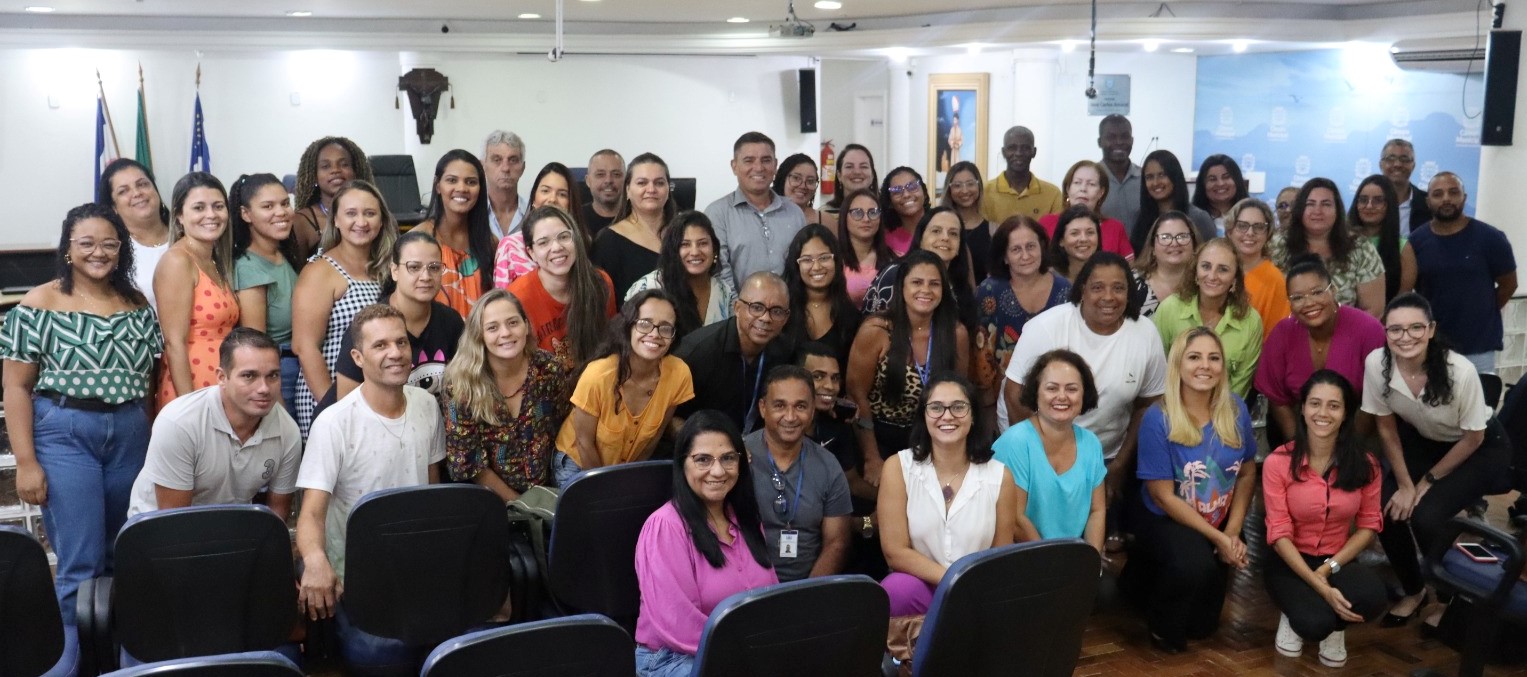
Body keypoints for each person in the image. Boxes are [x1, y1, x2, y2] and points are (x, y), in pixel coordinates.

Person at [0, 203, 161, 633]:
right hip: (65, 432)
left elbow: (148, 380)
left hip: (130, 433)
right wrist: (26, 462)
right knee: (81, 562)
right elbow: (16, 388)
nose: (98, 252)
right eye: (86, 243)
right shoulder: (39, 303)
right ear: (68, 249)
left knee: (123, 553)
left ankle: (120, 652)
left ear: (122, 250)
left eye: (110, 244)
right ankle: (76, 657)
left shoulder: (137, 304)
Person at [294, 305, 446, 673]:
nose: (395, 353)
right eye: (380, 345)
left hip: (416, 567)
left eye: (401, 342)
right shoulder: (334, 423)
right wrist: (315, 562)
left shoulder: (427, 405)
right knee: (380, 656)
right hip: (356, 576)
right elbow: (310, 513)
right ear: (358, 358)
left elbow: (433, 490)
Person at [1364, 293, 1512, 630]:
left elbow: (1473, 439)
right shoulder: (1377, 363)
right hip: (1425, 440)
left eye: (1416, 327)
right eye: (1396, 329)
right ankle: (1414, 590)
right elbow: (1386, 428)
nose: (1406, 337)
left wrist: (1424, 483)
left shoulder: (1460, 371)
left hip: (1480, 447)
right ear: (1385, 332)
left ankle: (1449, 597)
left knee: (1427, 516)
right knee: (1385, 507)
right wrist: (1404, 485)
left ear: (1431, 329)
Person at [1001, 253, 1166, 517]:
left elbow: (1149, 405)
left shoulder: (1145, 333)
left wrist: (1119, 466)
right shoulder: (1047, 327)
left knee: (1098, 523)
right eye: (1098, 287)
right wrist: (1043, 462)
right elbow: (1014, 394)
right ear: (1082, 290)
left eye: (1118, 288)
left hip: (1107, 453)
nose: (1108, 297)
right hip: (1040, 448)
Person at [1130, 326, 1258, 653]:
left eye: (1214, 358)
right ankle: (1157, 622)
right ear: (1178, 364)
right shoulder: (1157, 418)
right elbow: (1162, 496)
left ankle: (1142, 582)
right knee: (1193, 566)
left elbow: (1246, 473)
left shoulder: (1236, 409)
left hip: (1218, 516)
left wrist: (1233, 531)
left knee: (1203, 627)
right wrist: (1219, 539)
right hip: (1166, 516)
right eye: (1194, 357)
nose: (1205, 365)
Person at [634, 411, 776, 676]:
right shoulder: (665, 526)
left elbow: (770, 600)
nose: (718, 471)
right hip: (672, 658)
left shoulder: (746, 519)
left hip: (743, 653)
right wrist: (747, 656)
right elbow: (678, 625)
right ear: (682, 463)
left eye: (728, 458)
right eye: (703, 460)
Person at [1263, 370, 1385, 668]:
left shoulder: (1366, 464)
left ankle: (1336, 626)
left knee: (1374, 598)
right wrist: (1321, 587)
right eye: (1315, 404)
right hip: (1289, 560)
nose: (1323, 413)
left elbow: (1369, 526)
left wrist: (1328, 570)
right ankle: (1296, 614)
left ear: (1346, 414)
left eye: (1334, 406)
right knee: (1313, 623)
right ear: (1303, 409)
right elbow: (1279, 534)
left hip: (1337, 558)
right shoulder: (1277, 462)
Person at [877, 373, 1018, 615]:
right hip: (921, 587)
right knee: (896, 588)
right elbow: (894, 552)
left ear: (973, 416)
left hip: (977, 592)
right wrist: (954, 580)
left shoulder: (1000, 476)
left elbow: (1000, 558)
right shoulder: (898, 467)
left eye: (958, 407)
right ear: (924, 416)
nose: (947, 416)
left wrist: (971, 590)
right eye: (936, 408)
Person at [127, 328, 301, 518]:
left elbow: (277, 514)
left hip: (230, 527)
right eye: (249, 376)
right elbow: (173, 521)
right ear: (221, 377)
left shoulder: (287, 431)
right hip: (157, 526)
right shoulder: (179, 423)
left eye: (273, 376)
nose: (264, 388)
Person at [847, 251, 972, 480]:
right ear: (901, 287)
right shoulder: (876, 330)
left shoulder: (956, 334)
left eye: (934, 284)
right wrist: (871, 457)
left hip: (932, 438)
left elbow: (959, 397)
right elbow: (856, 394)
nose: (926, 290)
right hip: (878, 438)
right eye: (917, 282)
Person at [440, 288, 572, 500]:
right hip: (489, 500)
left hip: (550, 493)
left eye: (513, 322)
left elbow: (563, 430)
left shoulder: (548, 368)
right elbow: (469, 464)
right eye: (492, 327)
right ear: (479, 335)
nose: (505, 333)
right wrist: (521, 506)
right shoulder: (460, 386)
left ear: (526, 325)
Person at [553, 290, 695, 486]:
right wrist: (608, 488)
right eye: (644, 324)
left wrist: (629, 480)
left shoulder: (679, 374)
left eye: (665, 328)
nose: (655, 334)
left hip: (624, 467)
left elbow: (654, 437)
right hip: (578, 463)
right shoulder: (598, 375)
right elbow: (584, 443)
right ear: (628, 326)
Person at [291, 180, 397, 435]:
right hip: (329, 397)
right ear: (336, 220)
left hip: (375, 400)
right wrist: (336, 409)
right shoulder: (320, 271)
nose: (361, 222)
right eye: (351, 213)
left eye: (369, 213)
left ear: (382, 220)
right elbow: (305, 347)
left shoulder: (388, 269)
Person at [318, 230, 464, 411]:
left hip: (423, 422)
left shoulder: (451, 322)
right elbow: (348, 409)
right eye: (414, 267)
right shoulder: (370, 325)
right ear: (394, 271)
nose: (426, 276)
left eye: (434, 267)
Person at [1255, 256, 1385, 446]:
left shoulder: (1368, 330)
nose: (1309, 303)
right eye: (1297, 298)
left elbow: (1375, 400)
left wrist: (1345, 449)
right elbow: (1277, 399)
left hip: (1359, 430)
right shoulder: (1282, 334)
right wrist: (1299, 447)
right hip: (1302, 431)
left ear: (1333, 290)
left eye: (1317, 292)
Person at [743, 365, 853, 581]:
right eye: (780, 406)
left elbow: (837, 543)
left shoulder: (828, 465)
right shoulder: (736, 458)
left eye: (800, 406)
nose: (790, 416)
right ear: (763, 408)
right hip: (746, 587)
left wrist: (807, 594)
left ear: (812, 411)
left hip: (808, 587)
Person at [1401, 172, 1517, 374]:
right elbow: (1408, 290)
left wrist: (1482, 312)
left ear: (1464, 198)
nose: (1446, 199)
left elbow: (1509, 284)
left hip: (1478, 347)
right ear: (1428, 201)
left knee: (1480, 395)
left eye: (1453, 192)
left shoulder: (1490, 238)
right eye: (1438, 194)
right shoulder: (1416, 242)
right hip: (1431, 346)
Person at [992, 349, 1105, 551]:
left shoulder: (1091, 443)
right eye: (1052, 388)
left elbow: (1096, 511)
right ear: (1036, 393)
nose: (1062, 396)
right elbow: (1015, 519)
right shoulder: (1015, 442)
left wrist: (1091, 561)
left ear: (1084, 394)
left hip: (1073, 557)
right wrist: (1053, 561)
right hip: (1020, 556)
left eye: (1071, 389)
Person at [155, 172, 240, 407]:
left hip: (222, 384)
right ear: (179, 216)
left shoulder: (215, 260)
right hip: (192, 387)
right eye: (199, 208)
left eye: (218, 206)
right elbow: (174, 343)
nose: (211, 215)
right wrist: (189, 406)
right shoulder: (177, 261)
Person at [673, 272, 795, 433]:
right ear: (737, 308)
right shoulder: (697, 353)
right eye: (756, 308)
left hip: (761, 441)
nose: (766, 318)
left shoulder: (786, 351)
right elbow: (671, 418)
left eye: (777, 311)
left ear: (786, 317)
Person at [975, 217, 1070, 408]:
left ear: (1042, 247)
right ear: (1004, 256)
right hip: (1001, 398)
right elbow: (982, 352)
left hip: (1058, 395)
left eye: (1031, 246)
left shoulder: (1065, 289)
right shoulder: (989, 290)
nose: (1025, 255)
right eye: (1016, 249)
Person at [506, 205, 618, 367]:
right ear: (531, 253)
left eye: (564, 237)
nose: (557, 247)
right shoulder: (517, 298)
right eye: (544, 242)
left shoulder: (600, 282)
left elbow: (611, 346)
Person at [229, 173, 302, 417]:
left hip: (298, 366)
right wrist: (276, 404)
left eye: (285, 203)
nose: (281, 212)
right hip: (280, 372)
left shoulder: (283, 253)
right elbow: (257, 348)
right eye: (268, 206)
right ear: (246, 214)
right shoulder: (249, 267)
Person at [1153, 238, 1263, 397]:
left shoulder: (1251, 321)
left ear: (1235, 279)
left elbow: (1239, 389)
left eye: (1223, 269)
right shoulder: (1169, 309)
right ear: (1195, 272)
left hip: (1226, 408)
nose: (1212, 276)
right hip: (1172, 404)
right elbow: (1158, 373)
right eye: (1206, 266)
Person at [705, 132, 806, 293]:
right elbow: (719, 272)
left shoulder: (794, 213)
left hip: (791, 306)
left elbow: (803, 265)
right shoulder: (717, 213)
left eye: (766, 160)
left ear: (775, 165)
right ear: (734, 166)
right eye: (749, 160)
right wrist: (738, 307)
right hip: (738, 307)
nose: (759, 168)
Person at [1270, 177, 1384, 316]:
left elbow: (1374, 310)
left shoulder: (1360, 248)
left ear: (1337, 210)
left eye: (1326, 204)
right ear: (1300, 209)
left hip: (1345, 328)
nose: (1317, 211)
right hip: (1284, 326)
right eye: (1310, 204)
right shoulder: (1276, 245)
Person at [625, 210, 734, 342]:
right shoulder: (649, 286)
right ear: (673, 251)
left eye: (702, 243)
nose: (695, 252)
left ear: (715, 250)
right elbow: (628, 339)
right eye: (685, 244)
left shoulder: (723, 291)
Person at [412, 149, 497, 317]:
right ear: (438, 185)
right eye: (452, 180)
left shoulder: (490, 242)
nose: (462, 188)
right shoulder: (418, 239)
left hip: (480, 332)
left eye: (471, 182)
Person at [860, 207, 977, 328]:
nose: (945, 238)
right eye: (936, 231)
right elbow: (872, 328)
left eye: (953, 233)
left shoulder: (958, 284)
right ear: (920, 238)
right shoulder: (896, 273)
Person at [494, 162, 596, 286]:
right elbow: (502, 294)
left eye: (562, 194)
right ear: (534, 197)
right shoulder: (510, 246)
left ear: (571, 203)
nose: (552, 199)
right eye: (545, 191)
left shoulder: (583, 240)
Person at [593, 153, 675, 295]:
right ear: (628, 190)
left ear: (669, 189)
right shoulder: (608, 241)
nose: (651, 189)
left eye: (659, 183)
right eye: (642, 183)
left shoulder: (684, 234)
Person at [97, 158, 172, 310]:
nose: (137, 193)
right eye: (123, 191)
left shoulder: (188, 235)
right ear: (113, 207)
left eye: (142, 184)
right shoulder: (114, 253)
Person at [782, 224, 862, 362]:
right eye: (807, 260)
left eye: (824, 258)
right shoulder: (782, 310)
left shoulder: (851, 317)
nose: (817, 267)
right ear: (796, 265)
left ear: (836, 261)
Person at [292, 136, 374, 262]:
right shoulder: (301, 222)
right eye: (325, 166)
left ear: (355, 171)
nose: (335, 170)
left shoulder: (376, 216)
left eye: (344, 164)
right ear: (314, 176)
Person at [1039, 159, 1135, 261]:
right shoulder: (1047, 222)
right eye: (1077, 182)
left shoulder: (1115, 228)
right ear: (1067, 189)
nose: (1083, 189)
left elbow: (1129, 266)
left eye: (1091, 184)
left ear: (1101, 192)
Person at [1227, 198, 1290, 342]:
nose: (1250, 233)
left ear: (1268, 234)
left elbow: (1276, 337)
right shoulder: (1216, 270)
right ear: (1229, 231)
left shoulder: (1275, 280)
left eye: (1259, 227)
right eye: (1242, 226)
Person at [1132, 150, 1215, 252]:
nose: (1155, 182)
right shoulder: (1140, 218)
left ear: (1175, 177)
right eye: (1149, 177)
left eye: (1162, 175)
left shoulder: (1198, 217)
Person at [979, 125, 1063, 225]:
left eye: (1025, 148)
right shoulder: (984, 192)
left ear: (1034, 152)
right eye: (1012, 148)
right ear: (1003, 152)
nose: (1019, 153)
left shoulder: (1053, 194)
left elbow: (1057, 231)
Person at [1131, 210, 1200, 318]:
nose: (1174, 243)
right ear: (1152, 247)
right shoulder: (1131, 282)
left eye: (1182, 236)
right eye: (1165, 237)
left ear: (1194, 244)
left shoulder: (1205, 283)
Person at [1349, 174, 1404, 303]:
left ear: (1389, 205)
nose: (1369, 206)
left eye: (1378, 201)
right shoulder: (1342, 240)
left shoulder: (1403, 247)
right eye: (1363, 200)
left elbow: (1402, 301)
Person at [836, 188, 894, 305]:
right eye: (857, 213)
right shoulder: (833, 259)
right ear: (844, 217)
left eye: (873, 212)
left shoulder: (893, 259)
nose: (866, 219)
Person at [940, 161, 993, 280]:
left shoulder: (993, 230)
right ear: (949, 189)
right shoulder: (939, 227)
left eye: (970, 184)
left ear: (979, 185)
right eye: (957, 185)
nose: (965, 191)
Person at [1097, 114, 1142, 229]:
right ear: (1100, 142)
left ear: (1132, 141)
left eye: (1125, 136)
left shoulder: (1145, 178)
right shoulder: (1091, 179)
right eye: (1111, 137)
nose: (1119, 142)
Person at [482, 130, 529, 240]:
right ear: (483, 166)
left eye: (513, 160)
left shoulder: (533, 212)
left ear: (523, 168)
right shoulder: (471, 213)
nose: (505, 168)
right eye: (497, 160)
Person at [1379, 138, 1431, 236]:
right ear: (1381, 165)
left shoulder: (1428, 204)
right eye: (1391, 159)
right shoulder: (1368, 202)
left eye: (1404, 159)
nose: (1397, 164)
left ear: (1413, 166)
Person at [1191, 154, 1249, 233]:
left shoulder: (1252, 215)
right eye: (1212, 179)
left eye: (1226, 177)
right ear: (1202, 185)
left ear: (1237, 181)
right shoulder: (1192, 219)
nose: (1220, 183)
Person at [879, 167, 929, 256]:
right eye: (897, 191)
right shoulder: (884, 240)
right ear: (890, 202)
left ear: (924, 193)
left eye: (912, 186)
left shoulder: (942, 227)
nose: (906, 194)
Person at [1047, 205, 1101, 282]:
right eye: (1075, 233)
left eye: (1090, 232)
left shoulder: (1108, 276)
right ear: (1061, 240)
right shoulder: (1047, 279)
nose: (1083, 239)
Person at [823, 143, 878, 214]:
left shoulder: (885, 212)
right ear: (839, 175)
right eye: (849, 167)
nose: (857, 172)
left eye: (864, 166)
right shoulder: (823, 215)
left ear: (872, 175)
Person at [582, 148, 625, 234]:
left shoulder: (639, 218)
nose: (608, 180)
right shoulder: (574, 219)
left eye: (616, 174)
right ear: (588, 181)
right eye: (600, 174)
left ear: (626, 180)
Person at [774, 153, 824, 225]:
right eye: (796, 178)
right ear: (783, 179)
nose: (803, 186)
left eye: (810, 181)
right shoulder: (766, 218)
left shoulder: (825, 220)